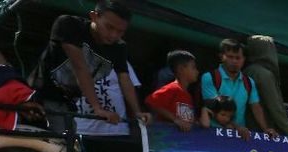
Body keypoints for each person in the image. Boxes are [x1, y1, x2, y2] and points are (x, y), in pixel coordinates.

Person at [32, 1, 150, 133]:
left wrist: (137, 112)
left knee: (68, 140)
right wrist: (97, 109)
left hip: (68, 104)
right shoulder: (70, 25)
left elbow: (124, 77)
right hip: (41, 95)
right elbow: (80, 67)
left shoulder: (119, 47)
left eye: (120, 31)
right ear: (94, 16)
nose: (114, 35)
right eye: (109, 27)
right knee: (56, 140)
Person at [200, 39, 277, 137]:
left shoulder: (249, 82)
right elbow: (215, 110)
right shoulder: (209, 77)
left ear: (244, 59)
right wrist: (237, 127)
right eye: (230, 57)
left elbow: (256, 107)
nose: (234, 61)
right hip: (212, 135)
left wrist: (266, 129)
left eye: (238, 58)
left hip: (239, 137)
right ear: (221, 56)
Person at [243, 35, 288, 143]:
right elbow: (275, 105)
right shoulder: (264, 74)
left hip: (247, 128)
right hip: (263, 132)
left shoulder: (247, 71)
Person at [144, 50, 198, 131]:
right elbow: (151, 102)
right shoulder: (173, 88)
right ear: (181, 69)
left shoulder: (188, 96)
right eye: (193, 68)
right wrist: (175, 120)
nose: (197, 71)